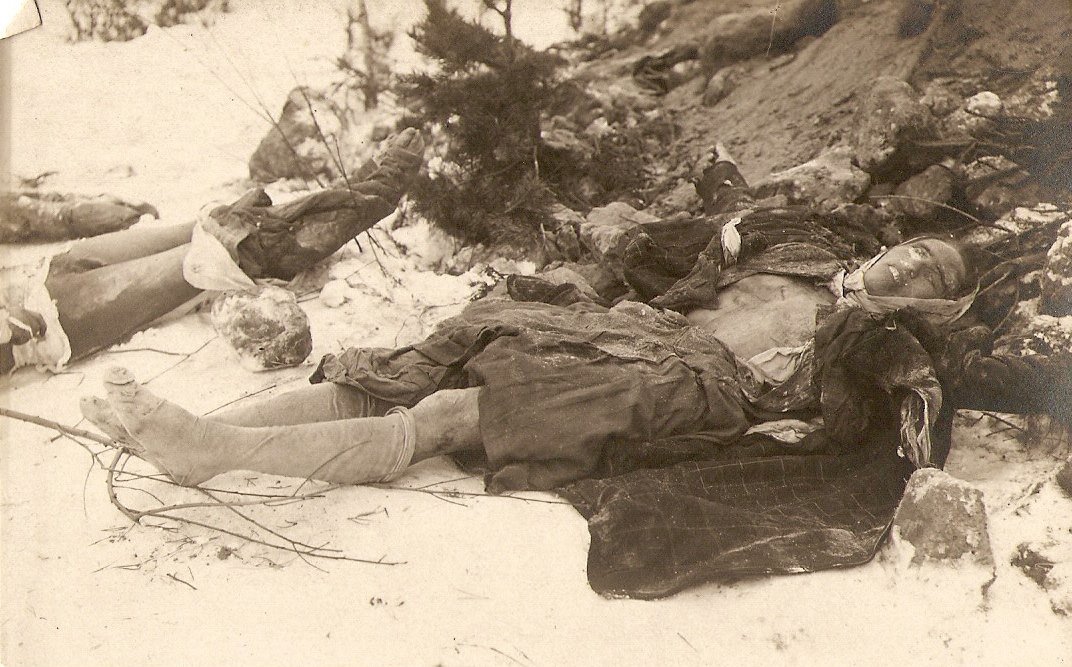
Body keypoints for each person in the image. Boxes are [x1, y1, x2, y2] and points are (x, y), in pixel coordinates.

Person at [80, 148, 1071, 598]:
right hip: (635, 334)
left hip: (691, 389)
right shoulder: (805, 250)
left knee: (450, 413)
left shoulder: (886, 345)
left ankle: (212, 450)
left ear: (934, 305)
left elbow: (939, 398)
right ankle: (203, 428)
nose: (911, 267)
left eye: (932, 279)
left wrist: (922, 383)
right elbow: (682, 251)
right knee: (433, 352)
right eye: (917, 252)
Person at [0, 128, 426, 373]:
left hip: (45, 273)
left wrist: (76, 212)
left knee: (219, 222)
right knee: (224, 255)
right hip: (51, 321)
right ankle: (377, 194)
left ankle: (357, 188)